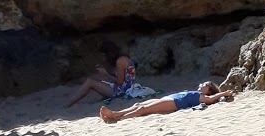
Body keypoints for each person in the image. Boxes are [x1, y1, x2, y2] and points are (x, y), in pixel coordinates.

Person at [99, 81, 231, 123]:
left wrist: (224, 93)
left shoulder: (203, 97)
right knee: (138, 105)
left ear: (209, 90)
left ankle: (117, 118)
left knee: (142, 110)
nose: (202, 84)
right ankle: (116, 113)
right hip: (169, 99)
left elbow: (211, 99)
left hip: (174, 103)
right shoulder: (198, 93)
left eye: (205, 84)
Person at [66, 41, 137, 106]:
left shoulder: (120, 61)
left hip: (123, 91)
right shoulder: (123, 58)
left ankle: (69, 103)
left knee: (90, 82)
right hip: (127, 88)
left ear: (109, 53)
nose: (103, 58)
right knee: (95, 79)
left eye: (104, 55)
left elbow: (120, 82)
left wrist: (106, 73)